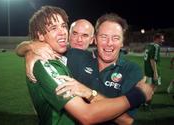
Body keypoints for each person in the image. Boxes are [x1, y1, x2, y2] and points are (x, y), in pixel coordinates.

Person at [16, 8, 153, 125]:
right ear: (96, 39)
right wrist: (30, 47)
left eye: (116, 38)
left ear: (123, 42)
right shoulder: (75, 56)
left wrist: (89, 93)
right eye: (104, 37)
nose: (109, 43)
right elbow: (86, 114)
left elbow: (126, 120)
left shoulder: (132, 70)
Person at [143, 33, 165, 107]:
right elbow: (152, 60)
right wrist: (155, 73)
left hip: (147, 70)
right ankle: (146, 103)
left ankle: (145, 102)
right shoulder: (156, 46)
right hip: (152, 70)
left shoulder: (149, 45)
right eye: (161, 39)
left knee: (151, 87)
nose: (163, 40)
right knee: (153, 87)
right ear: (157, 39)